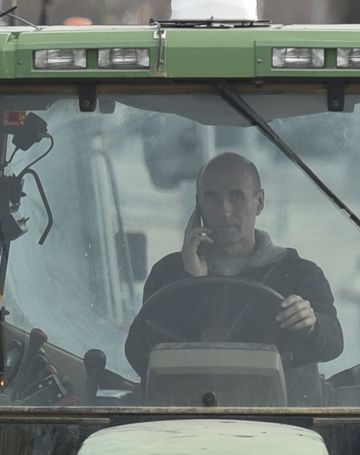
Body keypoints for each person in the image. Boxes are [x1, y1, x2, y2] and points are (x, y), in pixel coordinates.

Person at [132, 150, 343, 371]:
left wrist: (311, 324)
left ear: (259, 202)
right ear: (198, 205)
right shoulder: (168, 273)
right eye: (212, 197)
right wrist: (191, 282)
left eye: (236, 196)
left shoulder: (299, 273)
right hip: (185, 404)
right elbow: (139, 355)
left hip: (276, 405)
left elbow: (333, 342)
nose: (224, 211)